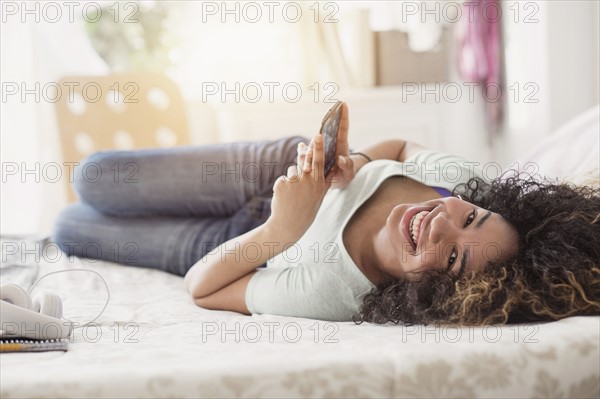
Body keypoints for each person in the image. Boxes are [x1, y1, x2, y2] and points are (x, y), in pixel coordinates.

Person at [52, 103, 600, 325]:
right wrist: (352, 164)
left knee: (69, 228)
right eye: (472, 217)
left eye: (453, 256)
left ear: (431, 291)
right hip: (271, 171)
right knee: (94, 176)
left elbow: (203, 289)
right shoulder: (459, 181)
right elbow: (400, 147)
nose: (442, 220)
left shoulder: (335, 294)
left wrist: (283, 228)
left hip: (234, 243)